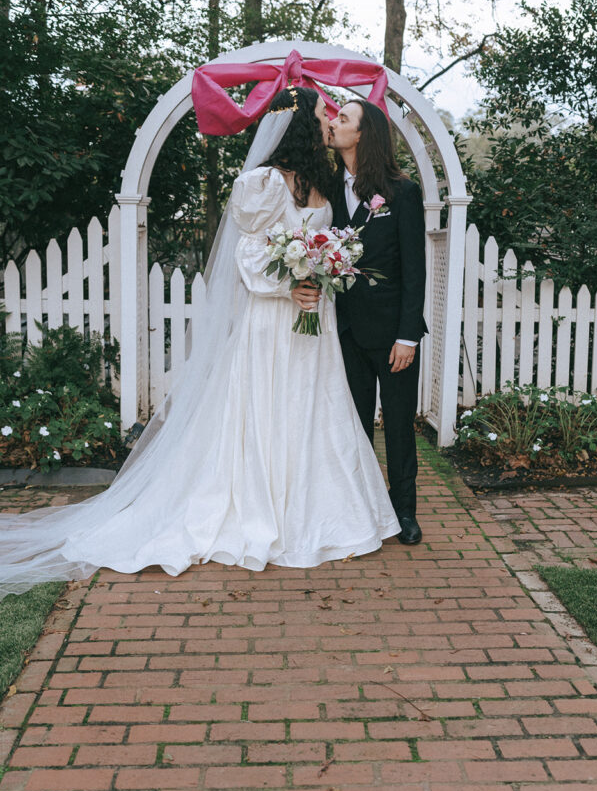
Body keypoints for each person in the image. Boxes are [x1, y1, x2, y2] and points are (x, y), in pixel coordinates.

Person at [0, 87, 400, 598]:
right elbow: (250, 257)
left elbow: (323, 245)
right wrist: (293, 282)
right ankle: (260, 511)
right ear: (301, 121)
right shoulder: (262, 183)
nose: (329, 121)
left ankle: (321, 511)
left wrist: (320, 274)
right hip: (271, 321)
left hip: (312, 325)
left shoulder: (323, 181)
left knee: (313, 408)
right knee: (265, 410)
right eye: (324, 113)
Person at [328, 99, 427, 546]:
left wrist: (408, 335)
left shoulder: (401, 191)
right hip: (344, 333)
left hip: (392, 335)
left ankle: (404, 511)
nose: (334, 122)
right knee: (354, 424)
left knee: (401, 426)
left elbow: (414, 268)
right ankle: (364, 510)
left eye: (343, 118)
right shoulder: (326, 189)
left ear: (365, 134)